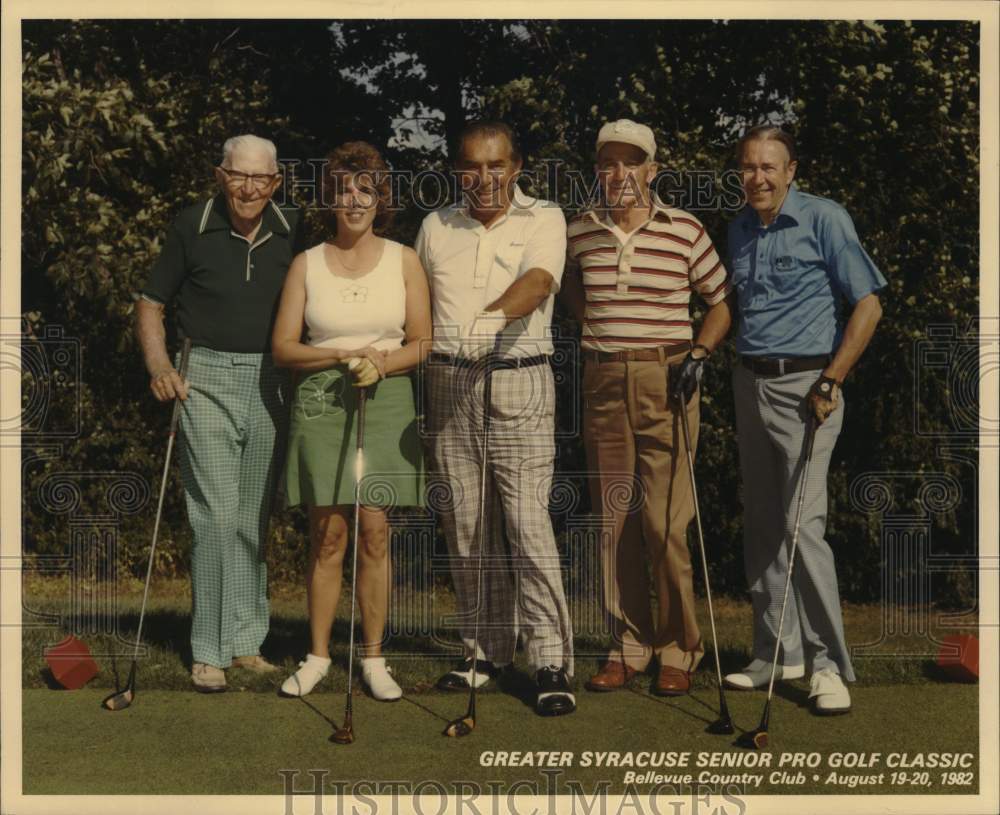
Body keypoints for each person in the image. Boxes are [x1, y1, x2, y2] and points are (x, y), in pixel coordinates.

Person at [560, 119, 733, 696]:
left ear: (652, 170)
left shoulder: (684, 229)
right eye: (608, 163)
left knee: (664, 525)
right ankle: (627, 646)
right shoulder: (579, 230)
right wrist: (603, 335)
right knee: (615, 523)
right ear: (598, 171)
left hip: (670, 378)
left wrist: (700, 352)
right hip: (605, 376)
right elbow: (573, 294)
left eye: (631, 163)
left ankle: (680, 648)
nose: (619, 174)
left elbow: (721, 303)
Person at [722, 124, 885, 715]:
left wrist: (831, 379)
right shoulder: (739, 226)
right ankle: (776, 651)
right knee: (763, 522)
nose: (757, 177)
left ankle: (827, 665)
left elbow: (868, 303)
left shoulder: (825, 218)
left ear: (791, 171)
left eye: (769, 167)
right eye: (747, 167)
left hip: (809, 386)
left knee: (800, 524)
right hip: (750, 380)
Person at [415, 120, 576, 716]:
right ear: (458, 169)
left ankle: (550, 658)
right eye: (471, 166)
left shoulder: (545, 218)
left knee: (528, 523)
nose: (484, 179)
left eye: (496, 166)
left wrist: (488, 319)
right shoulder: (435, 226)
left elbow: (537, 283)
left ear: (516, 166)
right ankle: (486, 649)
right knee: (467, 524)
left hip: (519, 378)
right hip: (448, 381)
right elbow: (415, 300)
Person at [137, 134, 299, 693]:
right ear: (220, 174)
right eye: (238, 175)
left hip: (273, 381)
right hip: (201, 377)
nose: (249, 188)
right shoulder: (192, 223)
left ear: (275, 181)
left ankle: (247, 642)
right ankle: (208, 648)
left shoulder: (293, 228)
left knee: (252, 517)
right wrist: (160, 365)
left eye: (261, 178)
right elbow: (151, 303)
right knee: (215, 517)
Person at [271, 141, 431, 701]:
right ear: (330, 198)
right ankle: (316, 656)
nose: (355, 200)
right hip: (320, 401)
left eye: (366, 190)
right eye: (344, 190)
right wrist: (337, 357)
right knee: (328, 535)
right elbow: (285, 348)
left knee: (374, 532)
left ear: (380, 198)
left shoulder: (404, 259)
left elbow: (424, 343)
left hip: (386, 399)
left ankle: (374, 658)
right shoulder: (306, 262)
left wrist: (381, 361)